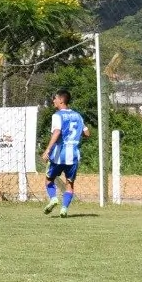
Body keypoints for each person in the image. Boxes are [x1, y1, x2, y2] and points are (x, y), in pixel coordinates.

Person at [42, 89, 89, 217]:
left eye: (55, 98)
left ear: (61, 100)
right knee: (70, 183)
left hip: (59, 154)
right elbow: (87, 133)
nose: (53, 101)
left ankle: (53, 198)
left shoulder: (57, 115)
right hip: (73, 154)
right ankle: (64, 209)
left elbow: (56, 132)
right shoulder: (77, 115)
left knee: (49, 180)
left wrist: (47, 150)